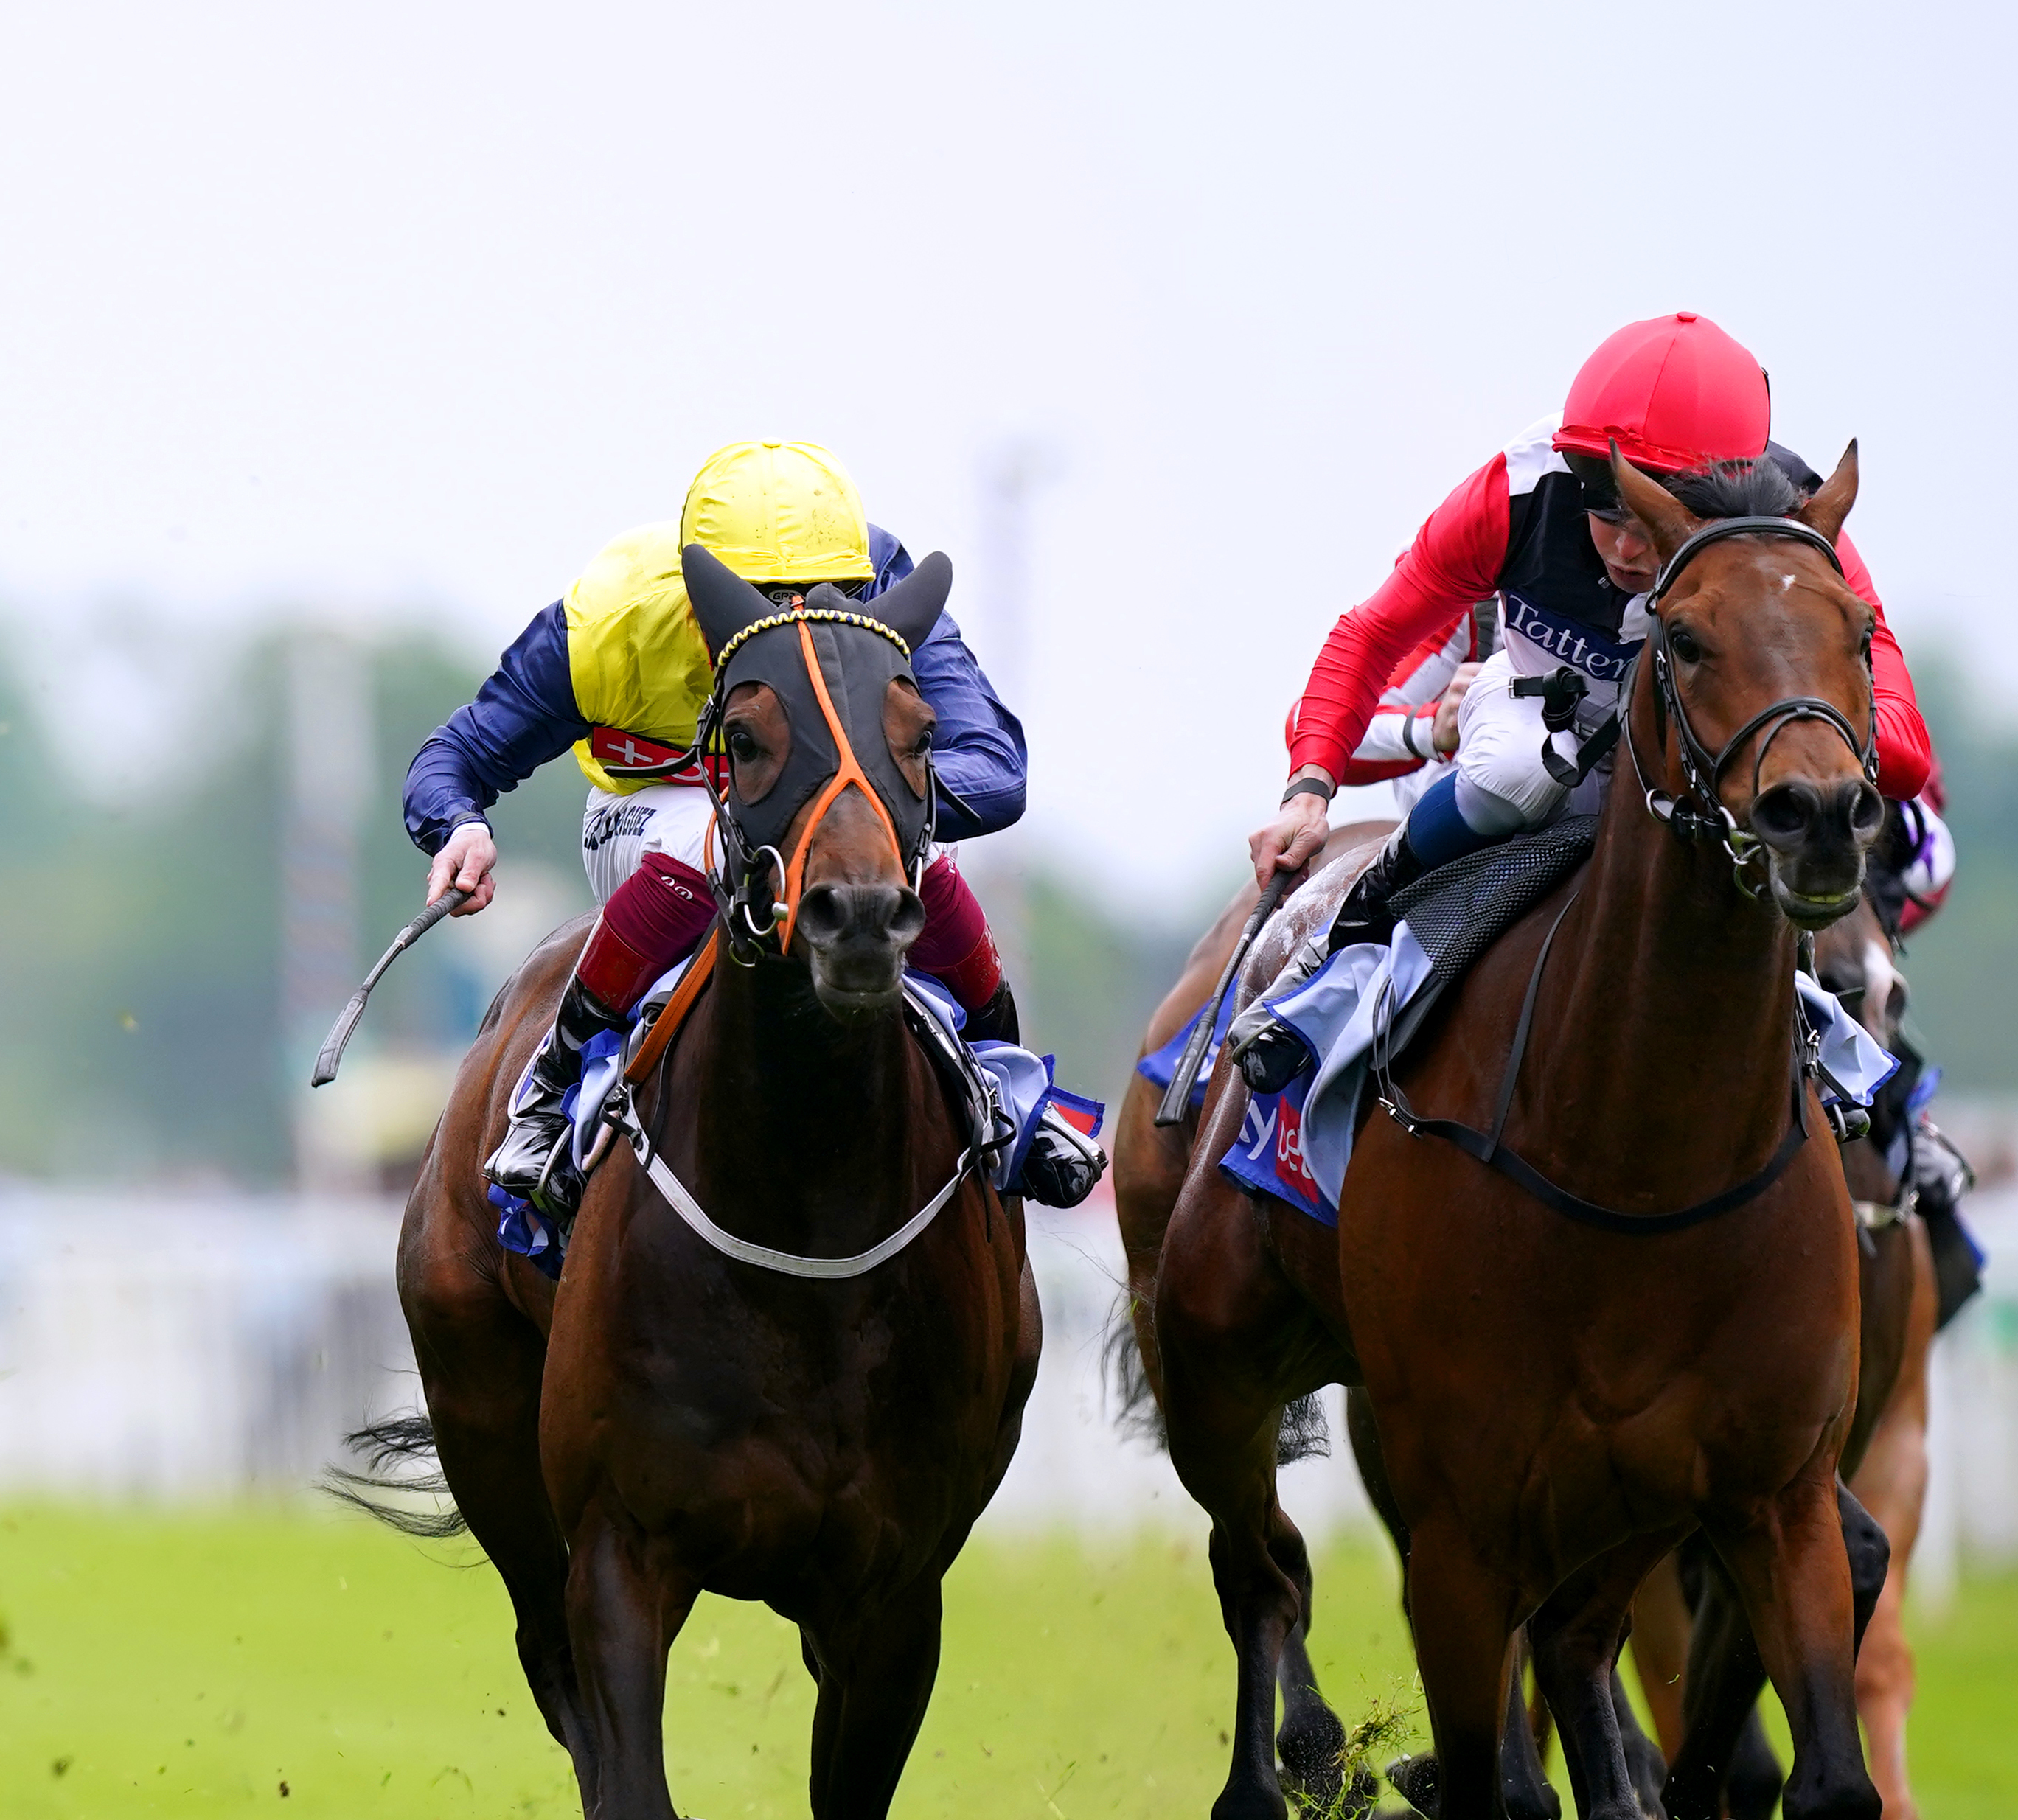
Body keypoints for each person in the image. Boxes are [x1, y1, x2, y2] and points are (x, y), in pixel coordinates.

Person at [1229, 310, 1939, 1092]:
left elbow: (1905, 750)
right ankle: (1341, 949)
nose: (1628, 548)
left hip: (1686, 771)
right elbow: (1369, 635)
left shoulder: (1795, 534)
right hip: (1540, 720)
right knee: (1513, 771)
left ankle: (1864, 1091)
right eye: (1606, 505)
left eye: (1658, 512)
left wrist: (1812, 735)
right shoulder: (1515, 491)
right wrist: (1308, 788)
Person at [404, 439, 1095, 1230]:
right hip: (663, 805)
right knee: (716, 838)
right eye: (764, 598)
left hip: (833, 801)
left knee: (908, 851)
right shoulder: (612, 618)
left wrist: (859, 805)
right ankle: (549, 1091)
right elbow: (454, 757)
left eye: (821, 594)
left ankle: (1006, 1081)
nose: (794, 622)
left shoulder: (887, 583)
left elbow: (996, 770)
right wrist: (458, 825)